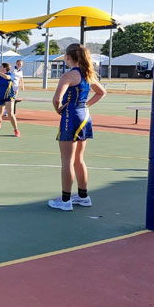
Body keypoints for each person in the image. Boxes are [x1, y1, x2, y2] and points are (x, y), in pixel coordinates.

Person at [48, 43, 106, 211]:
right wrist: (86, 104)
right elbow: (102, 92)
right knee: (79, 159)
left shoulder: (69, 75)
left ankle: (65, 200)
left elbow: (56, 99)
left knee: (67, 160)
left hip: (72, 116)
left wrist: (58, 110)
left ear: (68, 57)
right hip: (84, 116)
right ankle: (83, 196)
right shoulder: (88, 74)